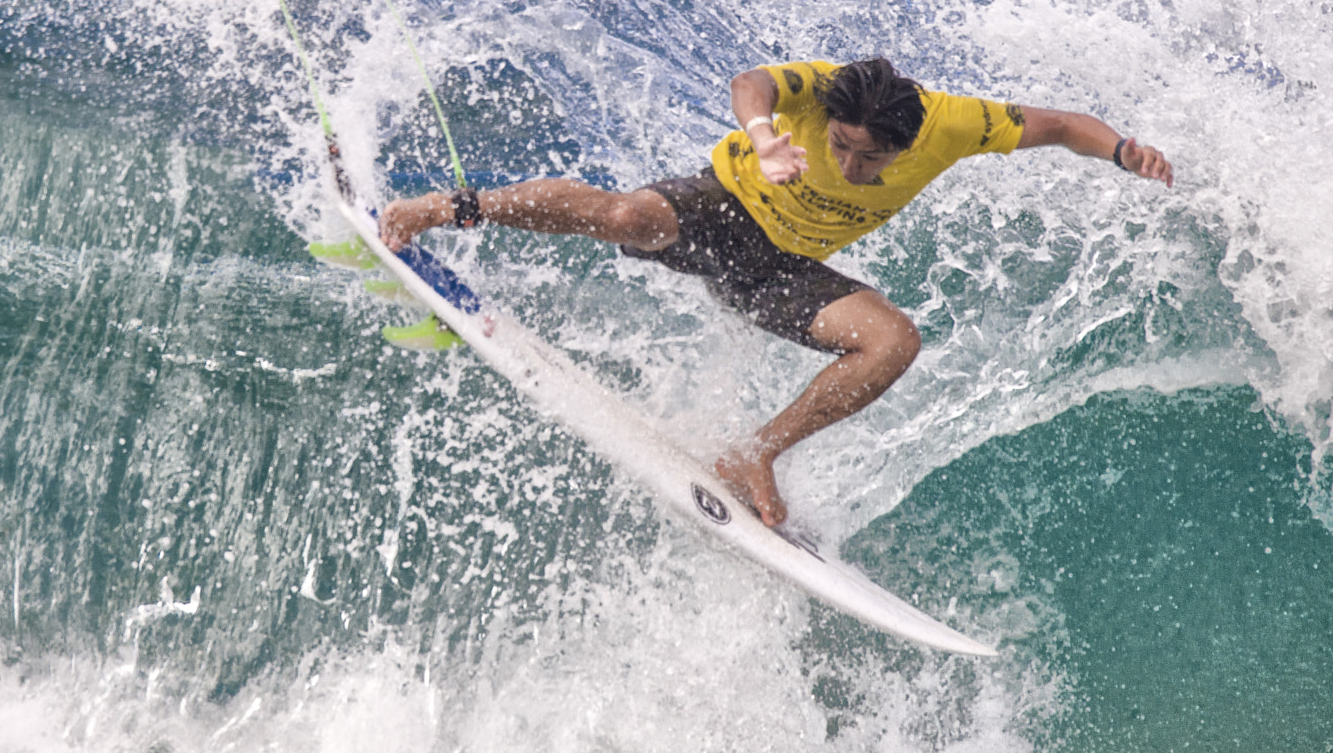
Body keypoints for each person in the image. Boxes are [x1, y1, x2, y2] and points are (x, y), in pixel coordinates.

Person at [380, 57, 1173, 526]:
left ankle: (755, 452)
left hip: (781, 272)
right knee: (627, 213)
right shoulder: (823, 90)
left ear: (912, 141)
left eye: (870, 161)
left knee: (894, 341)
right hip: (719, 209)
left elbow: (1063, 124)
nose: (851, 166)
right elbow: (752, 81)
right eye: (840, 148)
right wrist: (765, 140)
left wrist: (1124, 150)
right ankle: (444, 208)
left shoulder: (956, 124)